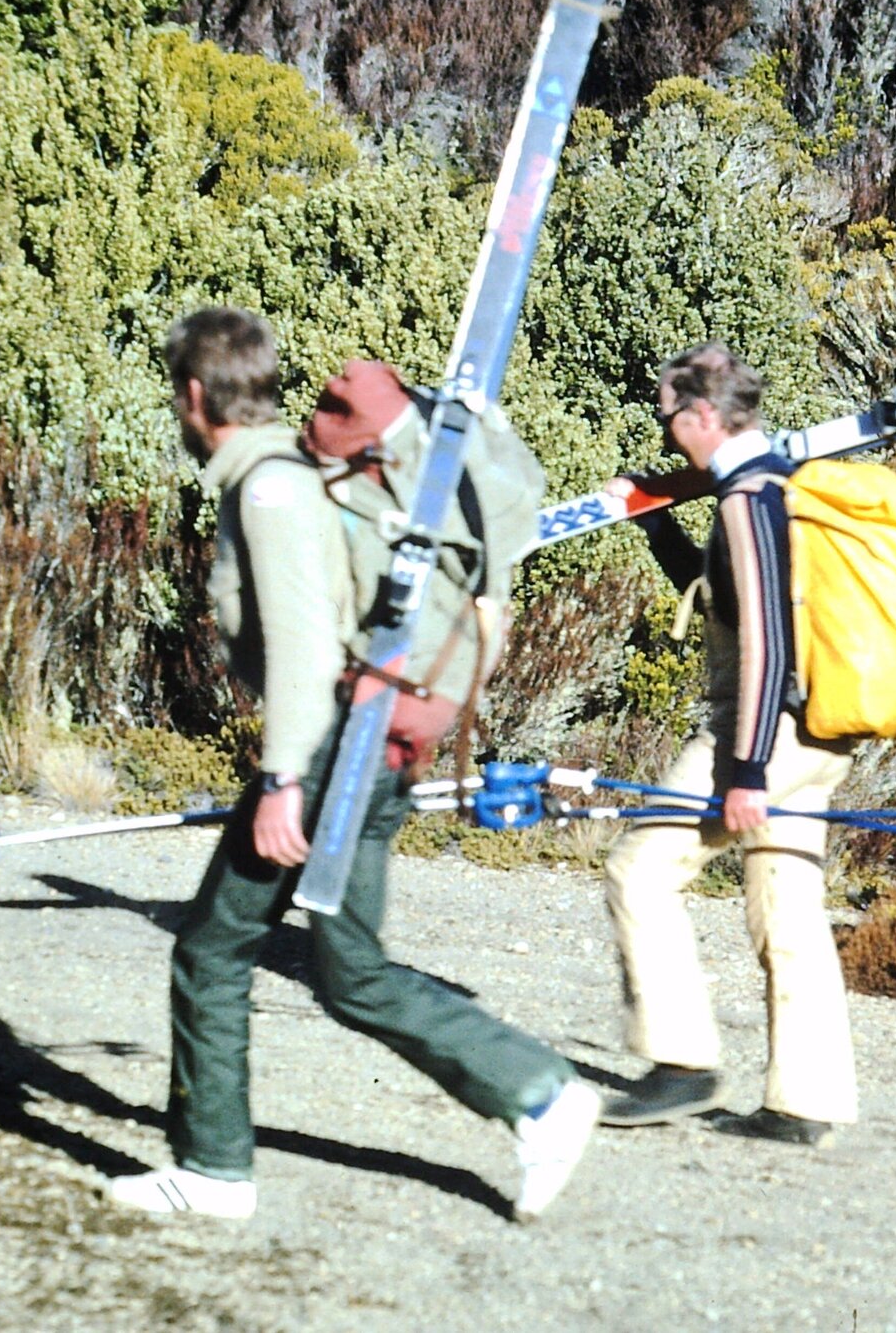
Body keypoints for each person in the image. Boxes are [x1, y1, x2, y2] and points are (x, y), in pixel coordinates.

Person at [106, 306, 599, 1221]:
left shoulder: (270, 490)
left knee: (213, 949)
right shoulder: (292, 478)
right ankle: (537, 1093)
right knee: (351, 971)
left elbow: (298, 644)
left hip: (330, 746)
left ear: (192, 395)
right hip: (364, 744)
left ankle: (213, 1171)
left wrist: (282, 780)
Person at [596, 341, 858, 1146]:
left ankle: (680, 1063)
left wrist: (743, 769)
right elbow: (724, 595)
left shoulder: (748, 500)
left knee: (639, 869)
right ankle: (805, 1103)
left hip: (763, 731)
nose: (667, 430)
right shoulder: (774, 479)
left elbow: (768, 641)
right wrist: (650, 510)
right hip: (820, 730)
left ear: (704, 414)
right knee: (787, 908)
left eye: (669, 415)